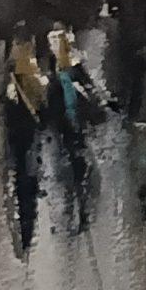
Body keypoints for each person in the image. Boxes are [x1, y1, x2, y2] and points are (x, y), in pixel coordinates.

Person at [42, 24, 104, 235]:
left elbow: (90, 92)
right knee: (63, 170)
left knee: (76, 167)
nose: (54, 46)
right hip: (60, 128)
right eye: (52, 42)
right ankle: (70, 212)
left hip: (74, 126)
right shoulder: (53, 69)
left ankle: (82, 212)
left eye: (56, 41)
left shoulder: (73, 68)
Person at [0, 34, 49, 252]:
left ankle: (25, 231)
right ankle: (27, 231)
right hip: (29, 139)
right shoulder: (33, 80)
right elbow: (44, 109)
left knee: (22, 182)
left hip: (18, 140)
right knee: (28, 183)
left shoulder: (12, 85)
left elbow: (7, 111)